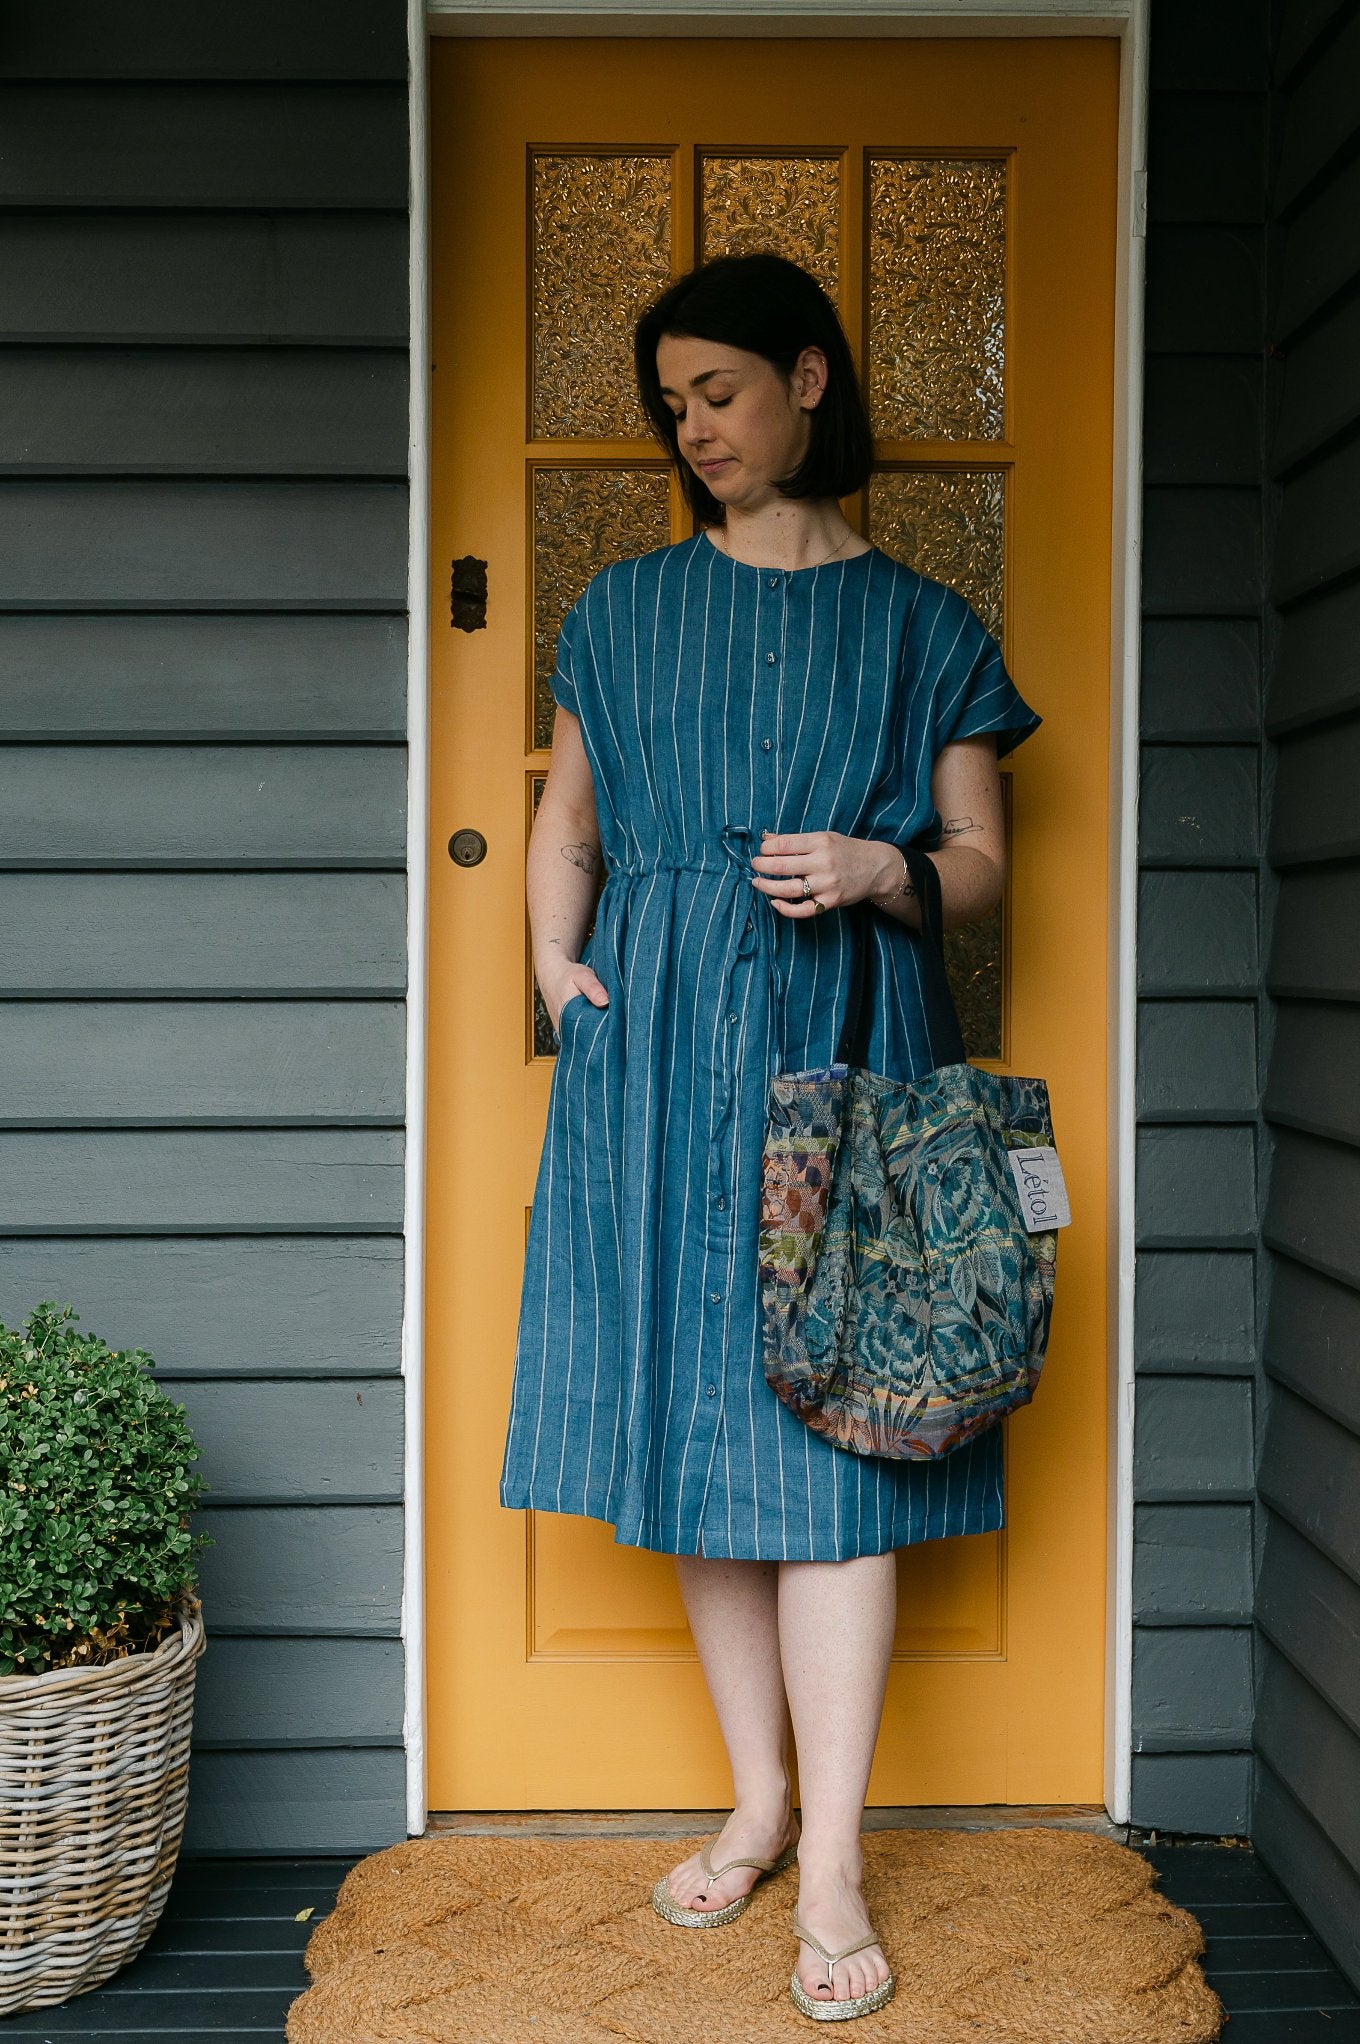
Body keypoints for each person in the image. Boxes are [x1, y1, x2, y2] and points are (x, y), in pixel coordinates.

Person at [500, 252, 1043, 2021]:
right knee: (700, 1442)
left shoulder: (922, 625)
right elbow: (566, 818)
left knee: (842, 1438)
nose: (692, 428)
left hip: (845, 1061)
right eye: (672, 405)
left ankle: (826, 1864)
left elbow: (981, 866)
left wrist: (888, 868)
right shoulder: (624, 609)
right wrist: (558, 970)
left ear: (809, 379)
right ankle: (757, 1795)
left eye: (717, 392)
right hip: (655, 1068)